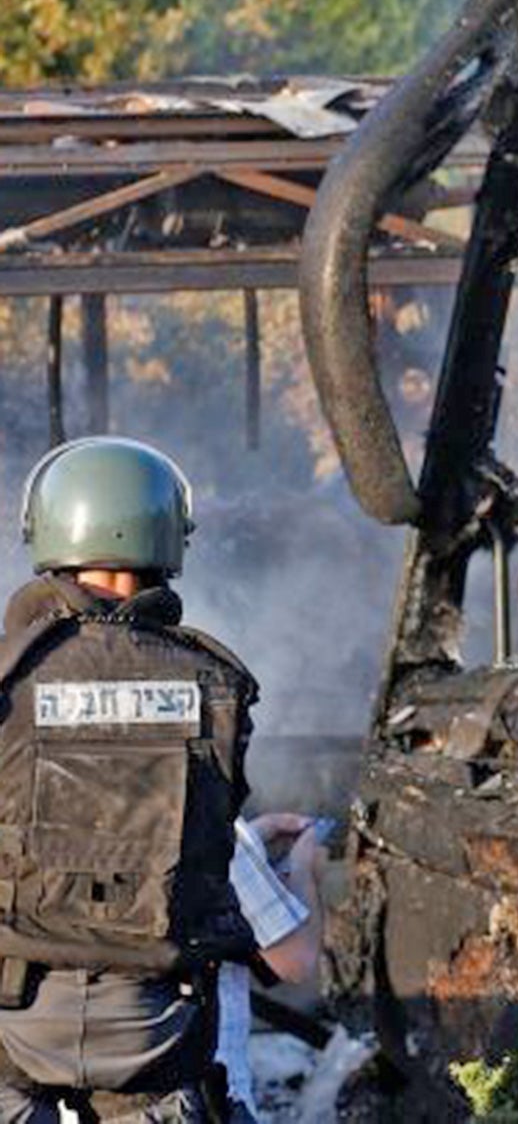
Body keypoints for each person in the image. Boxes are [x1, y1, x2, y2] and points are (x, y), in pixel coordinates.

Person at [0, 438, 258, 1122]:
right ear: (168, 539)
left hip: (11, 1012)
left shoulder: (7, 676)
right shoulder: (217, 682)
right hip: (155, 1018)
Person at [214, 814, 325, 1124]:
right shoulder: (208, 819)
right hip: (202, 1093)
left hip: (93, 1086)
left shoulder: (85, 807)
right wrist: (301, 871)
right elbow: (295, 960)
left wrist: (249, 845)